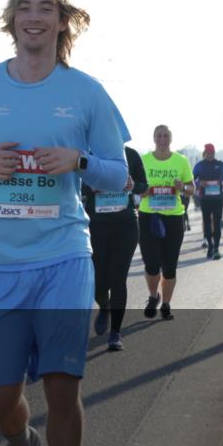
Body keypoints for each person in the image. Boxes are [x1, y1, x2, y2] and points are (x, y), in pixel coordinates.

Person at [0, 0, 129, 446]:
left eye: (46, 8)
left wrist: (79, 161)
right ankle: (22, 441)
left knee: (62, 389)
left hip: (64, 255)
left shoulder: (86, 92)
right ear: (12, 20)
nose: (34, 16)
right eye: (25, 7)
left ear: (62, 21)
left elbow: (119, 174)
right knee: (0, 398)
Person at [82, 146, 146, 350]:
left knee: (118, 279)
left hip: (125, 224)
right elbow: (73, 184)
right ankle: (105, 306)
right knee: (99, 283)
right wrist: (91, 186)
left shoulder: (131, 155)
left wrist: (133, 184)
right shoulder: (88, 154)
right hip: (96, 226)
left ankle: (116, 333)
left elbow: (144, 186)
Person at [138, 125, 194, 321]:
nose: (162, 139)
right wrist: (146, 190)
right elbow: (137, 189)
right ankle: (153, 296)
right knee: (151, 264)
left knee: (169, 266)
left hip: (173, 217)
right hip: (148, 216)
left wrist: (182, 187)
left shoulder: (181, 161)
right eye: (159, 136)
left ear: (171, 138)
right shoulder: (144, 160)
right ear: (154, 138)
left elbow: (191, 189)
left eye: (166, 136)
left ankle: (166, 304)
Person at [192, 143, 223, 260]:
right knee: (207, 223)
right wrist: (199, 183)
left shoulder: (220, 164)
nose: (210, 155)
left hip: (218, 198)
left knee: (217, 223)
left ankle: (216, 248)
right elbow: (192, 179)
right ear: (205, 153)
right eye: (208, 153)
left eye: (212, 153)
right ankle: (210, 246)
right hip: (205, 199)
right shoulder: (199, 166)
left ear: (214, 153)